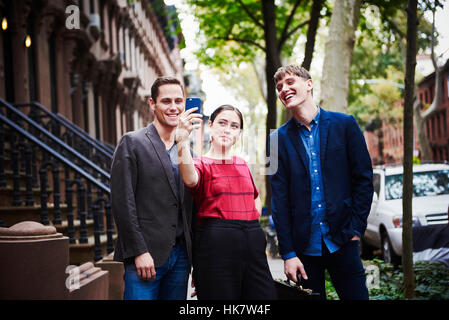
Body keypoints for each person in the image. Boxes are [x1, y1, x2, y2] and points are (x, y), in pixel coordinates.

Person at [269, 65, 374, 300]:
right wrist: (287, 253)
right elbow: (279, 200)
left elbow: (364, 180)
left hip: (343, 239)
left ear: (309, 84)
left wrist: (356, 229)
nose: (284, 89)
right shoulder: (275, 140)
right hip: (303, 250)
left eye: (289, 82)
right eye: (279, 87)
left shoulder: (345, 124)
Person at [176, 104, 277, 300]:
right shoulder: (200, 164)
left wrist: (249, 225)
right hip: (217, 245)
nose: (227, 129)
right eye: (222, 123)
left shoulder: (242, 163)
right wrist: (181, 139)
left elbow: (254, 197)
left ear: (239, 133)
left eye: (234, 126)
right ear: (211, 126)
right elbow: (189, 179)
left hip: (252, 243)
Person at [110, 76, 196, 300]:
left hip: (181, 258)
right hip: (145, 255)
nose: (174, 107)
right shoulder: (132, 142)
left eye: (179, 101)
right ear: (152, 104)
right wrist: (139, 250)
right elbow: (122, 202)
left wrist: (195, 259)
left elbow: (191, 208)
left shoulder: (186, 150)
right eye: (166, 101)